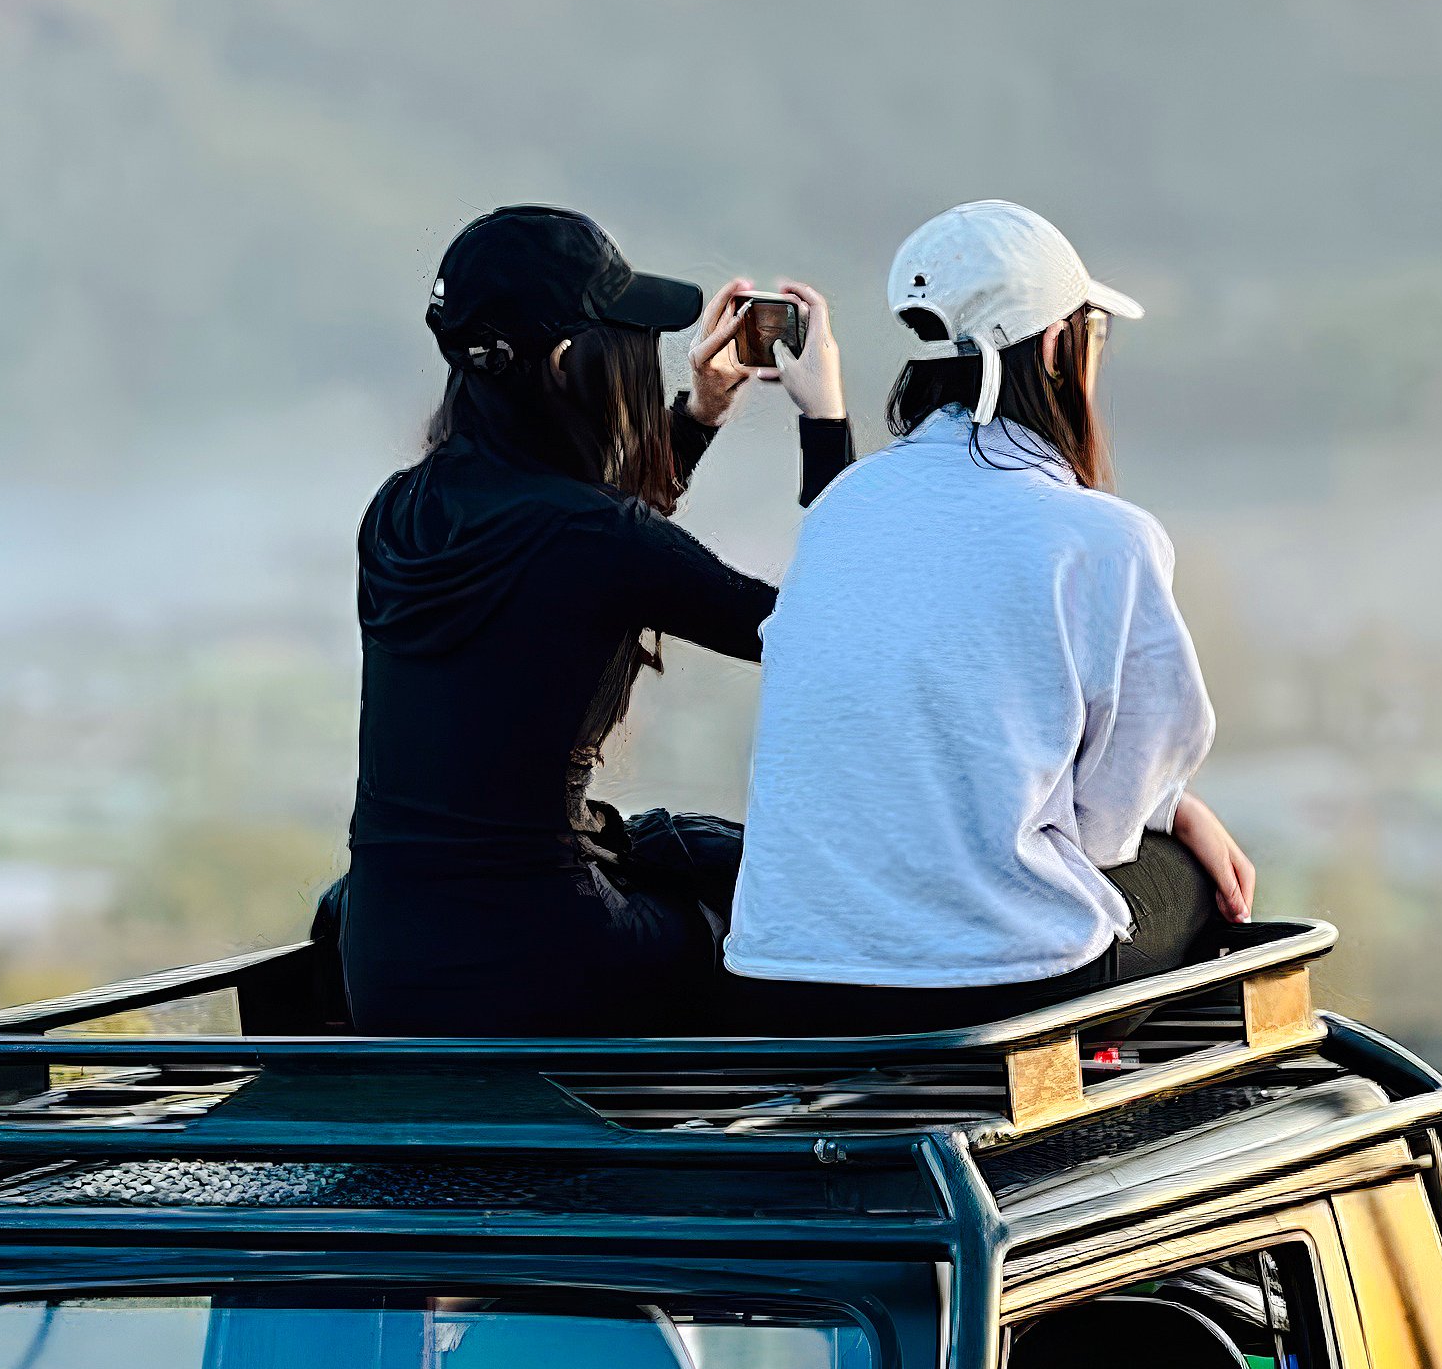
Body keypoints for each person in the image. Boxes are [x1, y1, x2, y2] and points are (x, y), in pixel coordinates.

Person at [724, 200, 1257, 1035]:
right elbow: (1110, 822)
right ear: (1055, 347)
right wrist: (1175, 807)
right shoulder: (1103, 538)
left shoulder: (842, 507)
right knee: (1193, 884)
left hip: (784, 981)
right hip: (993, 995)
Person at [335, 205, 853, 1036]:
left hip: (387, 966)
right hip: (548, 966)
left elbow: (577, 556)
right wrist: (825, 426)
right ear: (574, 360)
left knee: (666, 845)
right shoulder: (593, 539)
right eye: (628, 337)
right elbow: (829, 635)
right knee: (752, 912)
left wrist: (701, 414)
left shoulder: (400, 513)